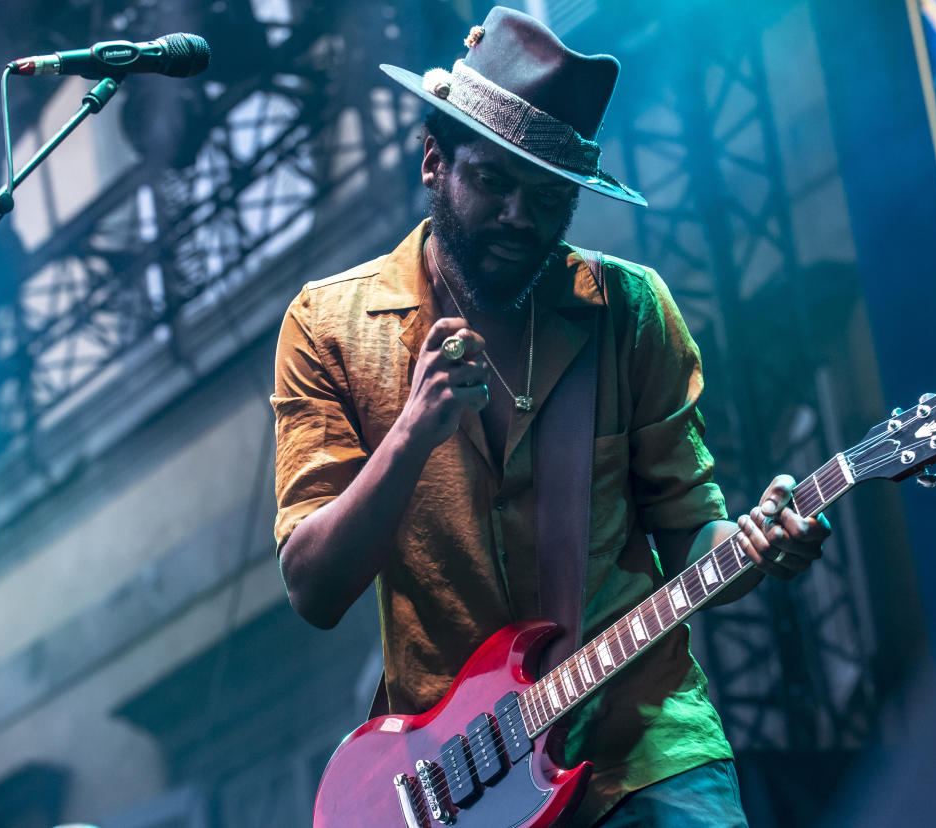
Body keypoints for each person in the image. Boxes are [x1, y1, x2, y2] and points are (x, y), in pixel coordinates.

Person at [271, 7, 829, 826]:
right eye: (493, 182)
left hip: (646, 747)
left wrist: (758, 548)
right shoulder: (329, 329)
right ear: (434, 162)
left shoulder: (630, 312)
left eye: (547, 196)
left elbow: (692, 538)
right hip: (461, 786)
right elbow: (313, 587)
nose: (518, 219)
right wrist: (412, 433)